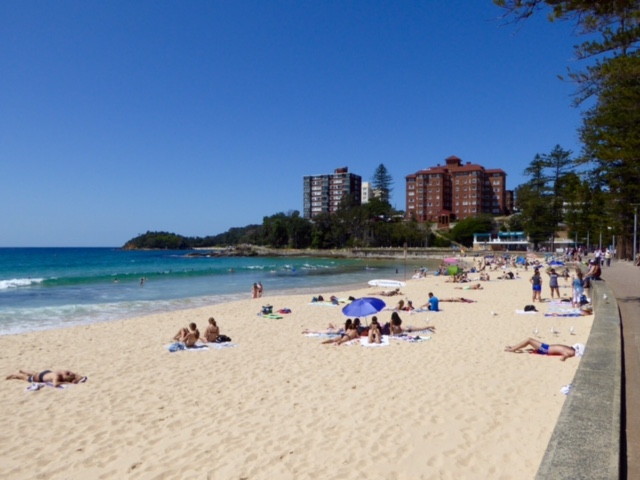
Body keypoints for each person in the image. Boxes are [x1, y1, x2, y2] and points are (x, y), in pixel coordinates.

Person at [504, 338, 585, 361]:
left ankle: (513, 348)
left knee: (529, 340)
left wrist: (563, 357)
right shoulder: (571, 349)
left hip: (546, 349)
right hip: (546, 347)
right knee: (529, 341)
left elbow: (565, 356)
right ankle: (513, 347)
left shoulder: (571, 351)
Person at [6, 369, 86, 387]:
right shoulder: (56, 377)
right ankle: (15, 374)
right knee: (27, 378)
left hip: (47, 373)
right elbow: (55, 384)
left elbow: (77, 376)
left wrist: (77, 379)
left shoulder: (66, 372)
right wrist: (68, 383)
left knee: (35, 373)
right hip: (40, 378)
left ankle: (23, 371)